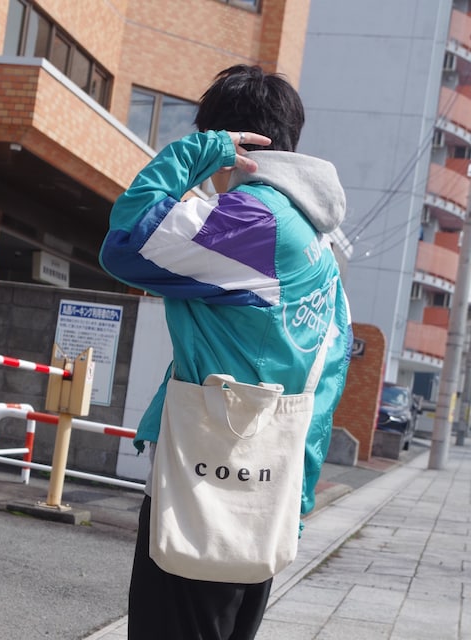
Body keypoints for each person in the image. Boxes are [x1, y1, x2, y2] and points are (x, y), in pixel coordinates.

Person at [99, 64, 352, 640]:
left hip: (208, 484)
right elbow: (329, 371)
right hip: (262, 486)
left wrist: (195, 153)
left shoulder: (254, 222)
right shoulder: (314, 241)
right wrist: (297, 495)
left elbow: (126, 243)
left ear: (234, 141)